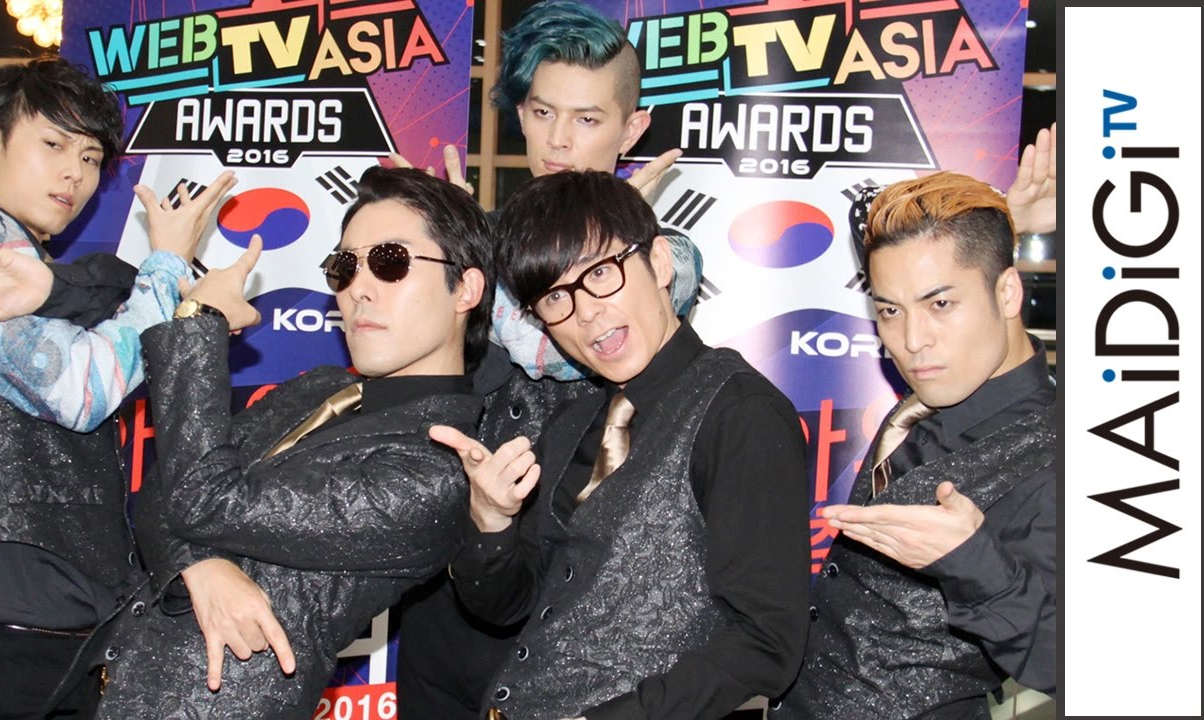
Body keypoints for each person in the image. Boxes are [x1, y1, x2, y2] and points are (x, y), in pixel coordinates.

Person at [77, 166, 495, 718]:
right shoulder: (321, 388)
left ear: (465, 288)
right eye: (344, 267)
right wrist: (198, 565)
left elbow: (204, 498)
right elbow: (163, 491)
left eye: (390, 262)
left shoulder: (434, 470)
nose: (358, 289)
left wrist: (198, 322)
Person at [391, 3, 703, 717]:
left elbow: (559, 351)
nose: (559, 139)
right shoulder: (473, 237)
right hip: (451, 589)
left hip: (578, 604)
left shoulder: (667, 257)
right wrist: (439, 249)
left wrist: (481, 257)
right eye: (541, 112)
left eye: (587, 119)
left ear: (631, 130)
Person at [435, 170, 810, 720]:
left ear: (659, 262)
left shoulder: (740, 412)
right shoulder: (576, 414)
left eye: (601, 274)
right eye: (555, 297)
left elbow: (766, 640)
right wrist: (490, 523)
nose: (586, 312)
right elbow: (509, 608)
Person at [0, 57, 234, 718]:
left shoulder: (34, 264)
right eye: (54, 144)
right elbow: (81, 389)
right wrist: (164, 268)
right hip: (10, 631)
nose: (75, 173)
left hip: (56, 626)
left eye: (91, 158)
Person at [772, 171, 1055, 718]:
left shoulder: (1062, 457)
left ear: (1008, 292)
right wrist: (1005, 219)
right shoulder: (940, 388)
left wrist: (974, 561)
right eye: (889, 311)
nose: (911, 340)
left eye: (940, 304)